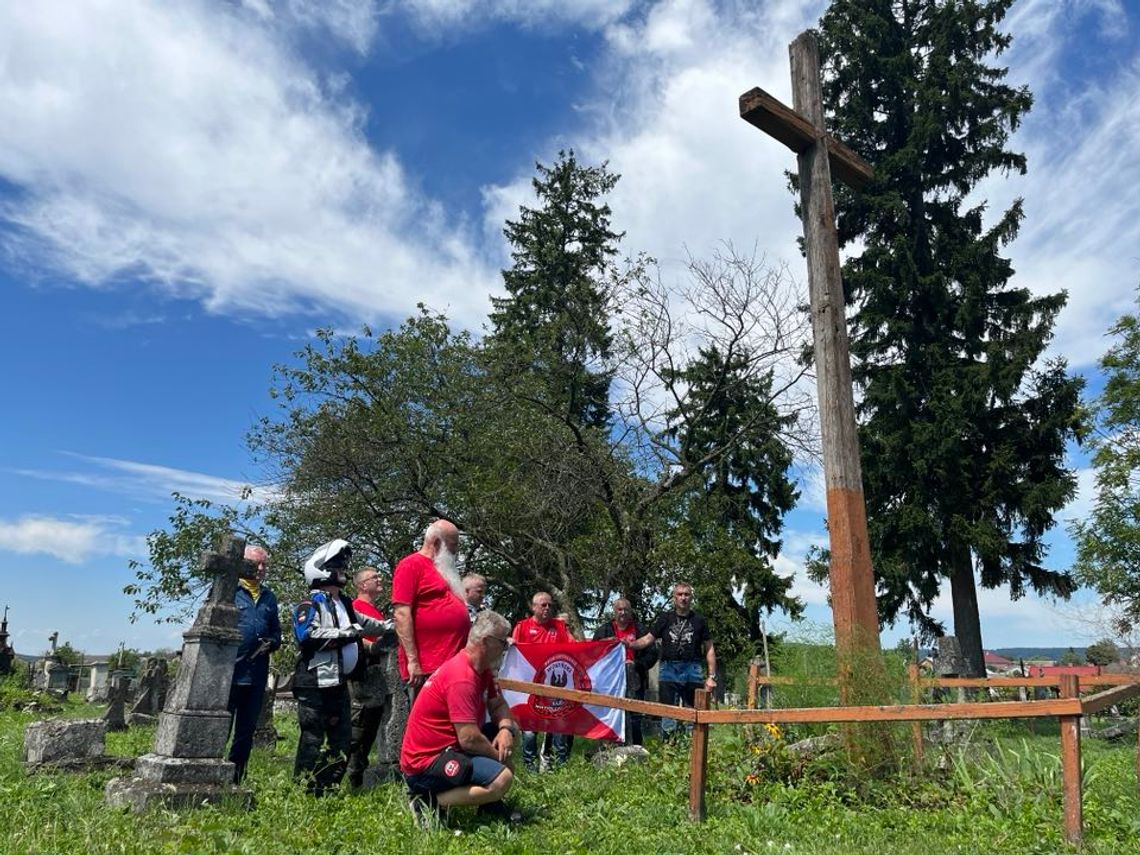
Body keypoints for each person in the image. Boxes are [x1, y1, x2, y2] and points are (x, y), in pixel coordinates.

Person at [401, 610, 523, 827]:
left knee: (509, 734)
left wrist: (506, 729)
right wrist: (501, 760)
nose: (506, 648)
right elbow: (468, 739)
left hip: (450, 748)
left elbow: (498, 704)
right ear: (486, 642)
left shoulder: (481, 670)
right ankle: (428, 802)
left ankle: (489, 807)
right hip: (427, 763)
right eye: (503, 643)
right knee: (502, 779)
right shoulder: (462, 678)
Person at [292, 539, 394, 796]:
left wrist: (395, 626)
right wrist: (346, 634)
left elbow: (370, 625)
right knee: (313, 737)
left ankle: (328, 788)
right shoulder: (309, 604)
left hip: (338, 682)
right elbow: (308, 635)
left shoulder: (346, 604)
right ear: (322, 570)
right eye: (338, 567)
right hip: (313, 682)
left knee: (341, 739)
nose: (344, 572)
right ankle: (304, 788)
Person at [392, 520, 471, 703]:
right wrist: (413, 661)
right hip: (427, 666)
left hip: (452, 663)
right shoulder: (410, 565)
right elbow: (401, 614)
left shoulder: (443, 569)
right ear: (436, 542)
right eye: (452, 546)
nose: (455, 551)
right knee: (426, 722)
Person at [625, 582, 716, 740]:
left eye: (686, 594)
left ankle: (690, 753)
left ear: (691, 597)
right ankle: (669, 752)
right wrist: (630, 644)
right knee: (667, 715)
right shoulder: (665, 618)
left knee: (692, 715)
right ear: (674, 598)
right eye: (680, 594)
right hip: (668, 669)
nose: (683, 598)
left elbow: (709, 649)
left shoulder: (699, 621)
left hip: (692, 669)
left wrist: (711, 677)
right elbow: (648, 639)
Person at [226, 543, 282, 783]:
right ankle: (213, 771)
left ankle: (236, 777)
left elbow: (277, 633)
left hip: (256, 674)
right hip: (229, 673)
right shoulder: (230, 591)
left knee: (246, 731)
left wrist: (272, 642)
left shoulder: (269, 596)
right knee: (220, 727)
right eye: (255, 563)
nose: (260, 568)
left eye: (264, 564)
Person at [346, 566, 398, 788]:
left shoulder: (376, 612)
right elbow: (355, 638)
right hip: (363, 675)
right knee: (360, 726)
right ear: (361, 585)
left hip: (378, 677)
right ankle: (352, 773)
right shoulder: (357, 608)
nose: (380, 579)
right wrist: (375, 646)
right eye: (374, 577)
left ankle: (361, 770)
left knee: (371, 727)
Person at [511, 591, 572, 770]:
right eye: (543, 605)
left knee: (559, 727)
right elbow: (513, 650)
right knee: (529, 731)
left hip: (554, 687)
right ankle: (530, 769)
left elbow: (575, 647)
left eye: (550, 605)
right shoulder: (522, 627)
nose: (547, 608)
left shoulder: (560, 627)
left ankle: (562, 769)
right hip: (529, 687)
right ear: (533, 607)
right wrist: (508, 642)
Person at [593, 598, 657, 746]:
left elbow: (652, 654)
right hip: (611, 682)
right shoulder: (604, 630)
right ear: (614, 612)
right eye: (619, 610)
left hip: (635, 678)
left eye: (626, 609)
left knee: (635, 716)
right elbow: (593, 652)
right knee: (610, 714)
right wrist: (605, 644)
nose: (623, 612)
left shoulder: (641, 630)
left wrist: (636, 664)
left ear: (631, 611)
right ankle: (608, 748)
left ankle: (635, 748)